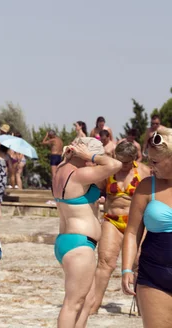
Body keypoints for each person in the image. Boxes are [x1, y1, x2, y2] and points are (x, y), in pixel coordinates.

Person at [52, 137, 121, 328]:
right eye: (93, 157)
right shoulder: (78, 174)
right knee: (72, 304)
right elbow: (115, 164)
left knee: (87, 301)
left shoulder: (61, 169)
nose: (93, 161)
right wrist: (89, 155)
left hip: (69, 240)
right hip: (79, 245)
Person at [90, 141, 149, 314]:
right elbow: (95, 190)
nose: (123, 166)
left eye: (127, 162)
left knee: (139, 263)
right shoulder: (108, 171)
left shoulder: (144, 172)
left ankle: (142, 308)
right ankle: (94, 305)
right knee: (105, 262)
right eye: (120, 161)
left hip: (136, 221)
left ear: (134, 159)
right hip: (112, 220)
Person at [122, 127, 172, 327]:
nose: (150, 166)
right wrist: (126, 269)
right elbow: (132, 232)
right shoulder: (146, 187)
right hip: (153, 276)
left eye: (155, 161)